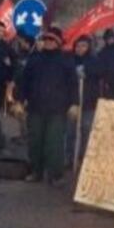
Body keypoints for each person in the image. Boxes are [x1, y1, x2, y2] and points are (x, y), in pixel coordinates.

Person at [21, 27, 78, 186]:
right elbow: (24, 81)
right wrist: (20, 99)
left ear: (58, 43)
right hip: (35, 107)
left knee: (54, 143)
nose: (48, 42)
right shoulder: (34, 59)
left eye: (52, 40)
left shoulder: (66, 61)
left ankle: (56, 175)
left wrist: (74, 103)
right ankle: (35, 172)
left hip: (57, 109)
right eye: (46, 39)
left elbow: (73, 84)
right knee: (35, 142)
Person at [66, 35, 101, 170]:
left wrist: (87, 72)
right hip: (72, 103)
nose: (80, 49)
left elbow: (99, 73)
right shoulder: (70, 60)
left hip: (89, 102)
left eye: (83, 46)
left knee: (86, 131)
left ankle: (83, 158)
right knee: (70, 131)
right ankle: (69, 157)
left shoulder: (94, 61)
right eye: (78, 46)